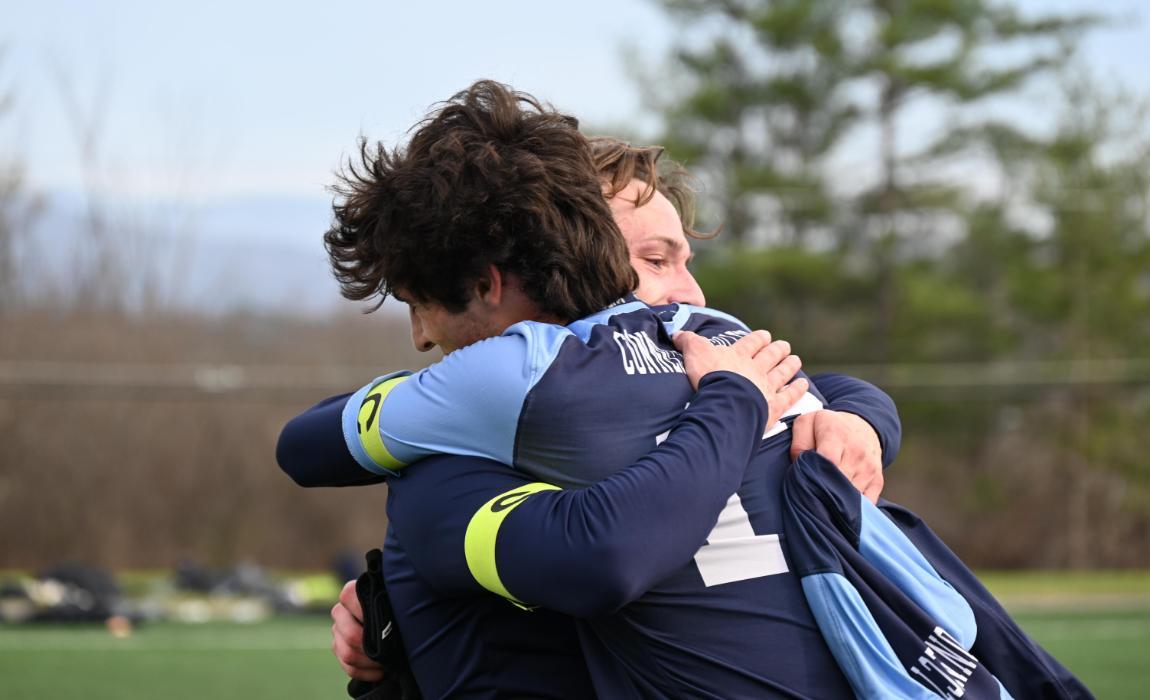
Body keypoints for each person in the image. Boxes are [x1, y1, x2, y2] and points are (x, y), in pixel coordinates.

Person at [278, 80, 898, 697]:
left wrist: (857, 418)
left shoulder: (699, 375)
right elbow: (604, 554)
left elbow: (828, 385)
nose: (693, 296)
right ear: (576, 256)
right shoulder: (455, 462)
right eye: (655, 262)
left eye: (684, 261)